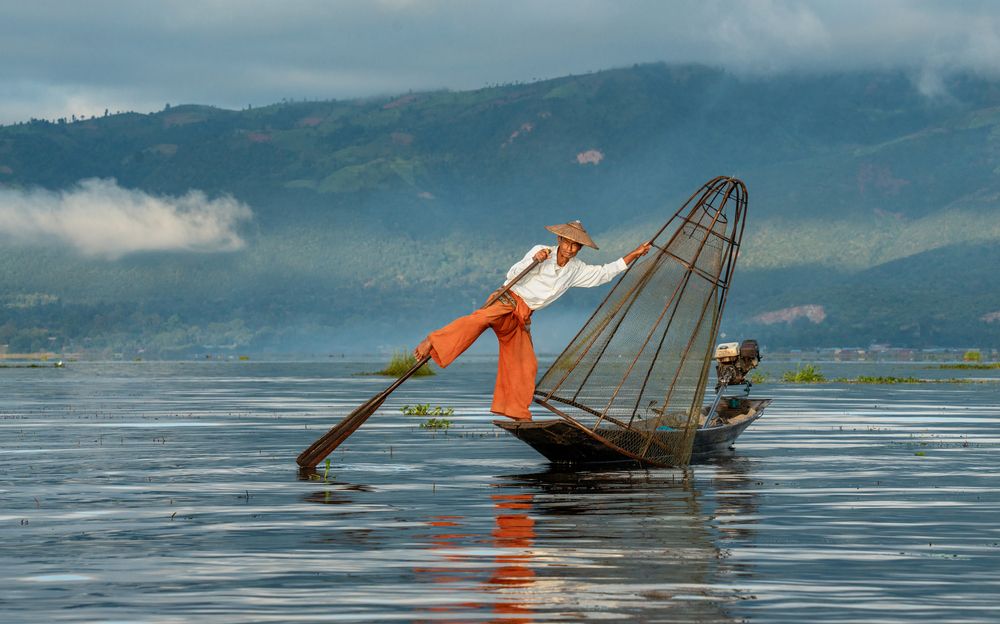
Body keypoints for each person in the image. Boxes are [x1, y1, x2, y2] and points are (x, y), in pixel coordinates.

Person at [413, 220, 652, 421]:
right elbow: (514, 273)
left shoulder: (576, 269)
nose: (569, 248)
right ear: (559, 240)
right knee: (476, 322)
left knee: (526, 362)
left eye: (575, 245)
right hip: (506, 299)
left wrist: (635, 254)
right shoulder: (542, 252)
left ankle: (516, 411)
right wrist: (534, 260)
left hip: (523, 316)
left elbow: (605, 272)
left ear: (580, 248)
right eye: (567, 242)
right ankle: (431, 341)